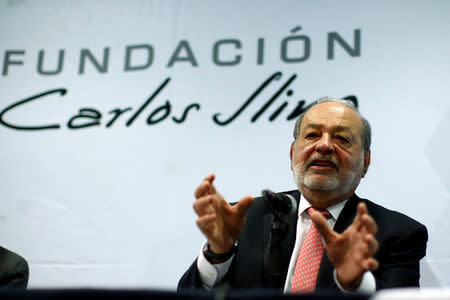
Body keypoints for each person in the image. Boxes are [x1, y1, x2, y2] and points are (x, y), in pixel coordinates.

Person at [178, 97, 428, 293]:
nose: (324, 145)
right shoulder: (244, 220)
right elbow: (189, 295)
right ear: (292, 153)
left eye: (341, 138)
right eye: (312, 135)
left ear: (365, 161)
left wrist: (356, 284)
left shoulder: (399, 234)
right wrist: (218, 253)